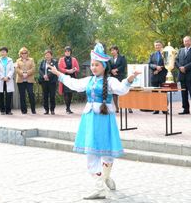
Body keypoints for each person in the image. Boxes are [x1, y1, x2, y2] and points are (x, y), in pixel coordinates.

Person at [48, 43, 140, 200]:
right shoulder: (89, 80)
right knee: (91, 153)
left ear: (104, 66)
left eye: (97, 65)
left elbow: (121, 90)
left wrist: (130, 78)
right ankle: (99, 187)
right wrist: (58, 73)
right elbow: (74, 84)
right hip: (90, 119)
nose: (93, 67)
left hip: (104, 119)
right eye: (92, 65)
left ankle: (105, 178)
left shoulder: (110, 81)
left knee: (107, 151)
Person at [177, 36, 191, 115]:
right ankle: (185, 109)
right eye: (185, 41)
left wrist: (185, 68)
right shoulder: (180, 50)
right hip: (182, 75)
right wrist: (180, 67)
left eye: (187, 41)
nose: (186, 42)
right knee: (184, 94)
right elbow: (176, 60)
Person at [58, 46, 80, 114]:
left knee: (70, 93)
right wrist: (67, 71)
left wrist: (74, 70)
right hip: (65, 78)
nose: (67, 52)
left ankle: (69, 107)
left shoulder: (74, 59)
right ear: (64, 52)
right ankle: (67, 108)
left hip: (72, 77)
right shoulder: (61, 59)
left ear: (70, 52)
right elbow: (60, 68)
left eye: (68, 51)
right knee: (66, 93)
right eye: (66, 51)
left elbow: (77, 68)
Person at [15, 47, 37, 114]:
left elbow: (33, 68)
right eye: (22, 53)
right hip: (20, 80)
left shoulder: (31, 60)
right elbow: (17, 69)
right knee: (22, 95)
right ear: (20, 54)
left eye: (25, 53)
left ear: (27, 53)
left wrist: (27, 73)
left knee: (31, 94)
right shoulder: (17, 61)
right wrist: (22, 73)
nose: (24, 54)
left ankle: (33, 109)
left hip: (29, 80)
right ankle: (24, 110)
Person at [0, 46, 15, 115]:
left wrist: (8, 77)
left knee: (9, 95)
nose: (2, 53)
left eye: (4, 52)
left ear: (6, 52)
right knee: (0, 95)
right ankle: (2, 110)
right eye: (1, 52)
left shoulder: (10, 60)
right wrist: (3, 77)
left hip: (8, 80)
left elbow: (12, 70)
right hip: (0, 80)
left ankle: (8, 110)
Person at [148, 40, 167, 114]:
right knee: (154, 93)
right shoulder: (152, 54)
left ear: (162, 45)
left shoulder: (165, 54)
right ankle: (156, 109)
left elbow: (168, 63)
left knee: (163, 93)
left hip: (163, 76)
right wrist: (156, 67)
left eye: (158, 45)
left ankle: (164, 109)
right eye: (156, 45)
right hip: (154, 76)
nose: (157, 46)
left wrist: (159, 69)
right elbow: (149, 64)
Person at [38, 49, 58, 115]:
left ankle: (52, 110)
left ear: (51, 56)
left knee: (52, 96)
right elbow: (40, 70)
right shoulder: (42, 62)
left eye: (48, 55)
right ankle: (46, 110)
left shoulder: (55, 62)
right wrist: (44, 76)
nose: (47, 56)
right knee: (45, 96)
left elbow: (55, 70)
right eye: (46, 55)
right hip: (44, 81)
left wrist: (48, 76)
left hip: (52, 81)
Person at [109, 45, 127, 112]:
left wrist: (116, 70)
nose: (112, 52)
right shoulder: (110, 59)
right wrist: (112, 71)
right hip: (113, 77)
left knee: (123, 91)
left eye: (113, 50)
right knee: (114, 93)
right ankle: (117, 108)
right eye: (111, 50)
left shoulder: (122, 57)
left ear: (117, 50)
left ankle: (128, 107)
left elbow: (123, 66)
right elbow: (109, 67)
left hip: (121, 76)